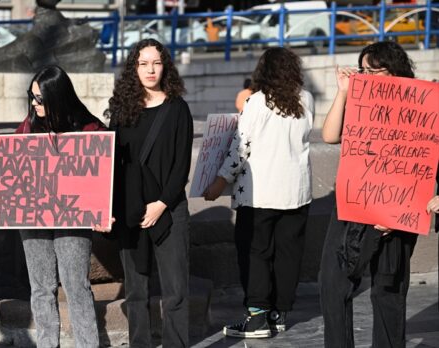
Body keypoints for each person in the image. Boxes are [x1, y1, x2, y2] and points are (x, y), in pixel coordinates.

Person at [0, 65, 104, 348]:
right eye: (32, 97)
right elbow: (9, 161)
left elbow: (104, 171)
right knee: (41, 288)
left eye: (40, 99)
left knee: (76, 286)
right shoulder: (28, 126)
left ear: (58, 96)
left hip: (72, 220)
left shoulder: (89, 129)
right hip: (33, 220)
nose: (34, 104)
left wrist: (103, 207)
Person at [203, 47, 314, 338]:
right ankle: (279, 313)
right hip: (296, 191)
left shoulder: (258, 101)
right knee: (288, 254)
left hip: (261, 193)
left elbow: (241, 146)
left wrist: (219, 181)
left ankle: (256, 317)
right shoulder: (306, 99)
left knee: (255, 254)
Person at [319, 41, 419, 348]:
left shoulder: (419, 106)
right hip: (353, 205)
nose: (368, 77)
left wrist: (397, 213)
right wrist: (344, 91)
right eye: (364, 70)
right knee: (332, 284)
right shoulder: (361, 103)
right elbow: (330, 135)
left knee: (387, 290)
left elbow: (424, 163)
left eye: (375, 70)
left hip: (397, 210)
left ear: (395, 71)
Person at [104, 38, 193, 348]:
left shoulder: (178, 108)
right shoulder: (122, 110)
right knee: (136, 289)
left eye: (156, 62)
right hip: (131, 210)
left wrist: (161, 204)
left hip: (169, 209)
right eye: (143, 63)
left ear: (165, 65)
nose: (150, 69)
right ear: (135, 68)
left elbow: (181, 165)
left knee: (175, 290)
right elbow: (110, 161)